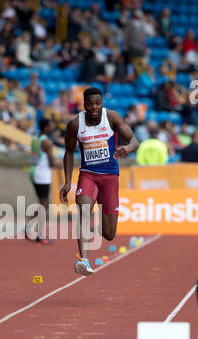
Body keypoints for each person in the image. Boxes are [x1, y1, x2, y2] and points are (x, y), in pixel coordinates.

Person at [60, 87, 139, 276]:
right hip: (88, 175)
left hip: (110, 177)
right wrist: (68, 182)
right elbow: (69, 152)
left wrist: (127, 149)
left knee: (110, 234)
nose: (94, 107)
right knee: (84, 211)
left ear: (101, 103)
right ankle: (84, 260)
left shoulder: (111, 117)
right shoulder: (75, 125)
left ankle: (99, 225)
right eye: (90, 104)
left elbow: (135, 141)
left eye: (97, 103)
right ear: (84, 104)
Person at [28, 118, 62, 244]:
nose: (52, 127)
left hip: (34, 171)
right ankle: (40, 234)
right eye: (50, 125)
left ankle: (29, 228)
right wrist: (60, 163)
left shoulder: (35, 139)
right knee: (43, 204)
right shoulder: (47, 142)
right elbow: (51, 162)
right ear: (45, 128)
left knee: (43, 203)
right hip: (42, 174)